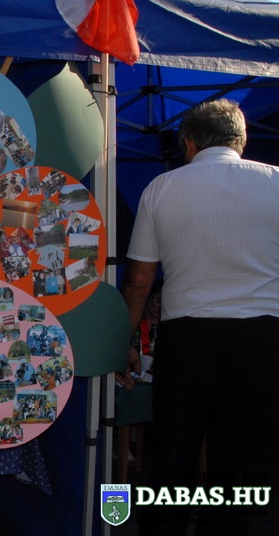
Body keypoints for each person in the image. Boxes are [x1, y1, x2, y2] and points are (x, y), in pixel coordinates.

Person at [121, 99, 279, 536]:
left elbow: (139, 281)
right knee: (240, 469)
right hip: (263, 340)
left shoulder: (161, 188)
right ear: (241, 140)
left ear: (188, 143)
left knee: (172, 460)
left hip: (188, 340)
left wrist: (125, 342)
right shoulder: (276, 181)